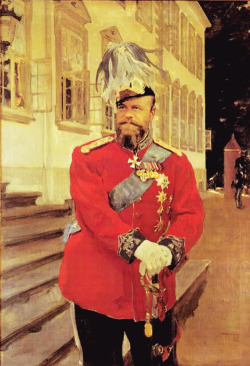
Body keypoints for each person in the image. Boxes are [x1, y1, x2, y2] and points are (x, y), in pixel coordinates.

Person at [59, 42, 204, 366]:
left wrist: (167, 250)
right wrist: (140, 247)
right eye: (122, 107)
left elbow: (190, 214)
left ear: (153, 112)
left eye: (137, 107)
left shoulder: (175, 163)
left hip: (151, 289)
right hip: (96, 285)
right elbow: (94, 214)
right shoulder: (87, 158)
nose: (128, 115)